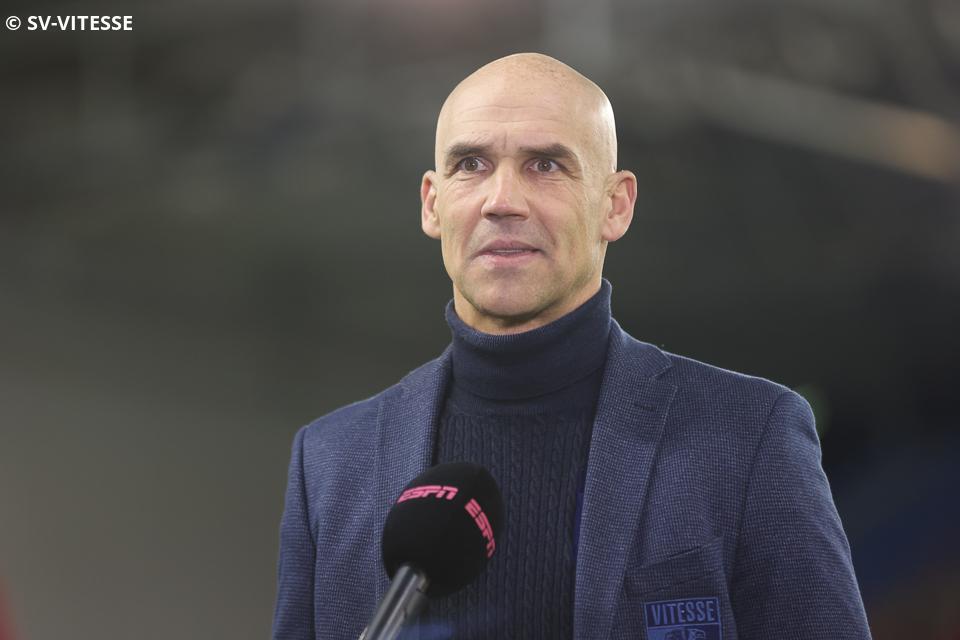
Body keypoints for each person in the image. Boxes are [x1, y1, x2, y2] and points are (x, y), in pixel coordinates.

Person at [272, 53, 872, 640]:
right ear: (433, 203)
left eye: (545, 165)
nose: (501, 200)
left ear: (615, 205)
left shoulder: (749, 435)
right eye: (471, 164)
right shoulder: (330, 460)